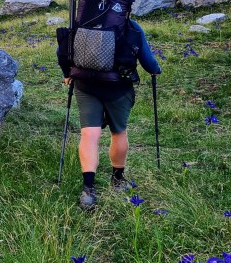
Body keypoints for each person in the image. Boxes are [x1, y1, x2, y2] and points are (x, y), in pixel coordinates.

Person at [58, 11, 162, 211]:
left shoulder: (81, 22)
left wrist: (67, 73)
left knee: (89, 134)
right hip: (118, 87)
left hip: (85, 85)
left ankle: (88, 190)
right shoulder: (131, 26)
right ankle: (117, 180)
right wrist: (156, 69)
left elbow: (63, 51)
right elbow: (148, 61)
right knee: (119, 132)